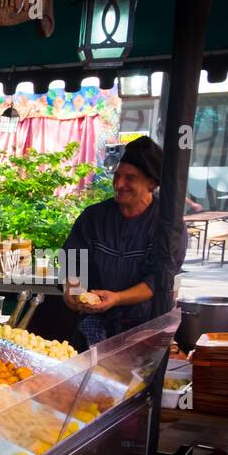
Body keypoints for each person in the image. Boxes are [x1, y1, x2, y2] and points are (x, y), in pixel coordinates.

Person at [62, 136, 185, 345]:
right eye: (117, 176)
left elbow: (157, 280)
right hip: (92, 326)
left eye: (130, 178)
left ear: (151, 183)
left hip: (141, 331)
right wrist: (72, 292)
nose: (119, 184)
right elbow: (73, 259)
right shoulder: (94, 217)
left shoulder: (167, 226)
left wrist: (117, 298)